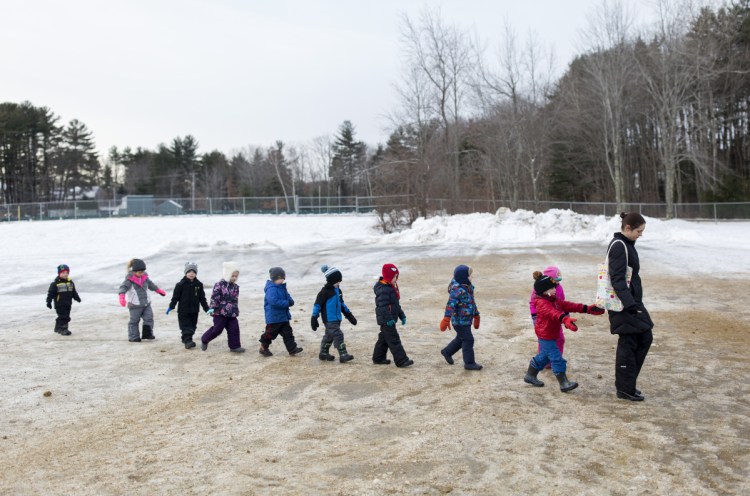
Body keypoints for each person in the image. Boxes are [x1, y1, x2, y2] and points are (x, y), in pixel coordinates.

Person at [523, 272, 605, 392]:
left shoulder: (553, 299)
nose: (555, 289)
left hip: (551, 334)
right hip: (545, 335)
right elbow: (553, 313)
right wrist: (565, 319)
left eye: (554, 286)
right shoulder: (542, 303)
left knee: (544, 357)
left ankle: (530, 375)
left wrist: (587, 308)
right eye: (552, 288)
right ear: (544, 291)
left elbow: (568, 305)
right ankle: (564, 383)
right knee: (556, 358)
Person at [608, 212, 653, 401]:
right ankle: (625, 388)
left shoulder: (627, 244)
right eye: (638, 231)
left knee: (643, 338)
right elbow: (617, 279)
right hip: (624, 304)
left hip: (630, 302)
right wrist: (630, 304)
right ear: (628, 228)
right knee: (630, 342)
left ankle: (627, 385)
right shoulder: (619, 246)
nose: (640, 235)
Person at [439, 265, 483, 371]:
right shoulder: (457, 291)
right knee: (468, 339)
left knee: (461, 338)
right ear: (464, 277)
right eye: (470, 276)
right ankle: (469, 363)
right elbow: (450, 305)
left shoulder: (468, 288)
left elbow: (472, 303)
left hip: (466, 320)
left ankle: (447, 351)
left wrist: (476, 315)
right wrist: (446, 319)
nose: (472, 277)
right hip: (459, 321)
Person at [311, 265, 356, 363]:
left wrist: (349, 315)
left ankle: (323, 353)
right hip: (329, 319)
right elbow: (317, 305)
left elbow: (342, 304)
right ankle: (343, 355)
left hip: (337, 318)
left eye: (339, 281)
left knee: (329, 336)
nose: (338, 283)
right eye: (337, 281)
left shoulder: (338, 291)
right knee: (338, 334)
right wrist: (314, 318)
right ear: (331, 281)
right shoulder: (324, 292)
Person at [372, 263, 413, 367]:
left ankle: (378, 357)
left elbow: (395, 305)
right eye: (394, 277)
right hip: (386, 320)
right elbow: (383, 306)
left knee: (384, 339)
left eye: (396, 276)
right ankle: (401, 360)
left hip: (389, 318)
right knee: (394, 339)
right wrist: (389, 319)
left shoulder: (390, 287)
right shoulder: (383, 289)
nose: (396, 279)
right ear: (388, 277)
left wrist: (401, 315)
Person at [200, 261, 245, 353]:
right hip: (220, 312)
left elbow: (235, 300)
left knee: (234, 329)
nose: (234, 278)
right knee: (217, 329)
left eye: (236, 276)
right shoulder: (219, 285)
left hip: (231, 313)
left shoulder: (235, 287)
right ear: (227, 274)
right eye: (232, 276)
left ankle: (234, 346)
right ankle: (205, 339)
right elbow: (214, 297)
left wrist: (235, 310)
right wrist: (212, 308)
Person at [259, 266, 303, 357]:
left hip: (283, 317)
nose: (283, 280)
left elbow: (287, 295)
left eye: (283, 278)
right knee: (270, 334)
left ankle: (292, 349)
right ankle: (263, 347)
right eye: (281, 278)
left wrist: (290, 301)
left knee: (288, 333)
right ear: (276, 278)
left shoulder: (281, 287)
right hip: (274, 318)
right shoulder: (271, 288)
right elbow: (273, 302)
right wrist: (286, 303)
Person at [118, 258, 166, 342]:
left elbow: (151, 285)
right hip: (134, 305)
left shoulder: (145, 278)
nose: (141, 274)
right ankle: (134, 337)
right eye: (139, 272)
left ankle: (147, 334)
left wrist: (158, 290)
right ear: (134, 271)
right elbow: (123, 288)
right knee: (134, 321)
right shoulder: (129, 280)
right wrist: (122, 297)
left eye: (143, 272)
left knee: (149, 318)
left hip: (146, 304)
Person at [166, 262, 211, 349]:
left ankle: (185, 339)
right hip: (183, 310)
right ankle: (188, 341)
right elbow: (175, 297)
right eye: (189, 271)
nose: (191, 273)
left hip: (194, 310)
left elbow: (202, 298)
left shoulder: (199, 285)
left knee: (193, 327)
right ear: (185, 273)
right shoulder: (180, 285)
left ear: (196, 273)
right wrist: (171, 306)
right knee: (186, 326)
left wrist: (207, 309)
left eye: (193, 272)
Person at [529, 265, 566, 368]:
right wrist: (535, 317)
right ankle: (543, 362)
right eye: (555, 282)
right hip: (544, 320)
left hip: (556, 319)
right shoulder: (539, 290)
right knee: (545, 342)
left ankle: (556, 359)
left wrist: (565, 315)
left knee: (559, 339)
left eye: (559, 281)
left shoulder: (559, 288)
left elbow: (562, 302)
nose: (557, 284)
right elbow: (532, 303)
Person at [46, 264, 81, 336]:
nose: (65, 274)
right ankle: (64, 329)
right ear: (59, 273)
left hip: (68, 303)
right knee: (65, 317)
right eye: (63, 273)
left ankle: (58, 327)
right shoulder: (55, 284)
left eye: (67, 273)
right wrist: (48, 302)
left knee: (64, 316)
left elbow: (73, 292)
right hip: (60, 304)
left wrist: (77, 298)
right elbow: (50, 294)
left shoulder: (70, 282)